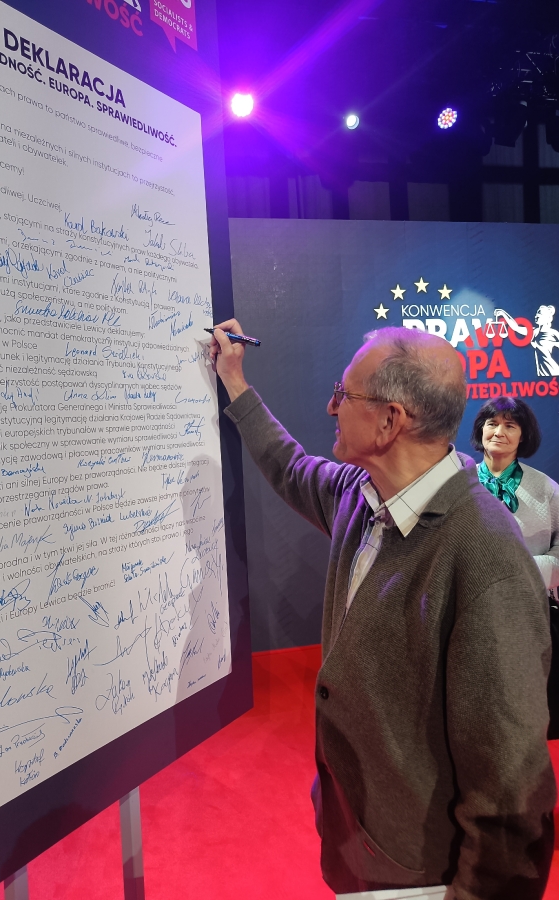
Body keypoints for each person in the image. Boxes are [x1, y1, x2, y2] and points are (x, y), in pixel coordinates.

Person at [209, 320, 555, 900]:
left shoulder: (486, 555)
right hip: (358, 840)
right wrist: (235, 383)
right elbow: (289, 467)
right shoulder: (359, 493)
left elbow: (511, 791)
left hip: (418, 877)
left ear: (390, 420)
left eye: (343, 394)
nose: (331, 405)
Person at [470, 396, 559, 736]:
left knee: (527, 711)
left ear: (524, 435)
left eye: (510, 425)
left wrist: (525, 570)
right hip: (470, 610)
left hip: (529, 611)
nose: (499, 432)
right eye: (492, 423)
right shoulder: (458, 483)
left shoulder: (547, 489)